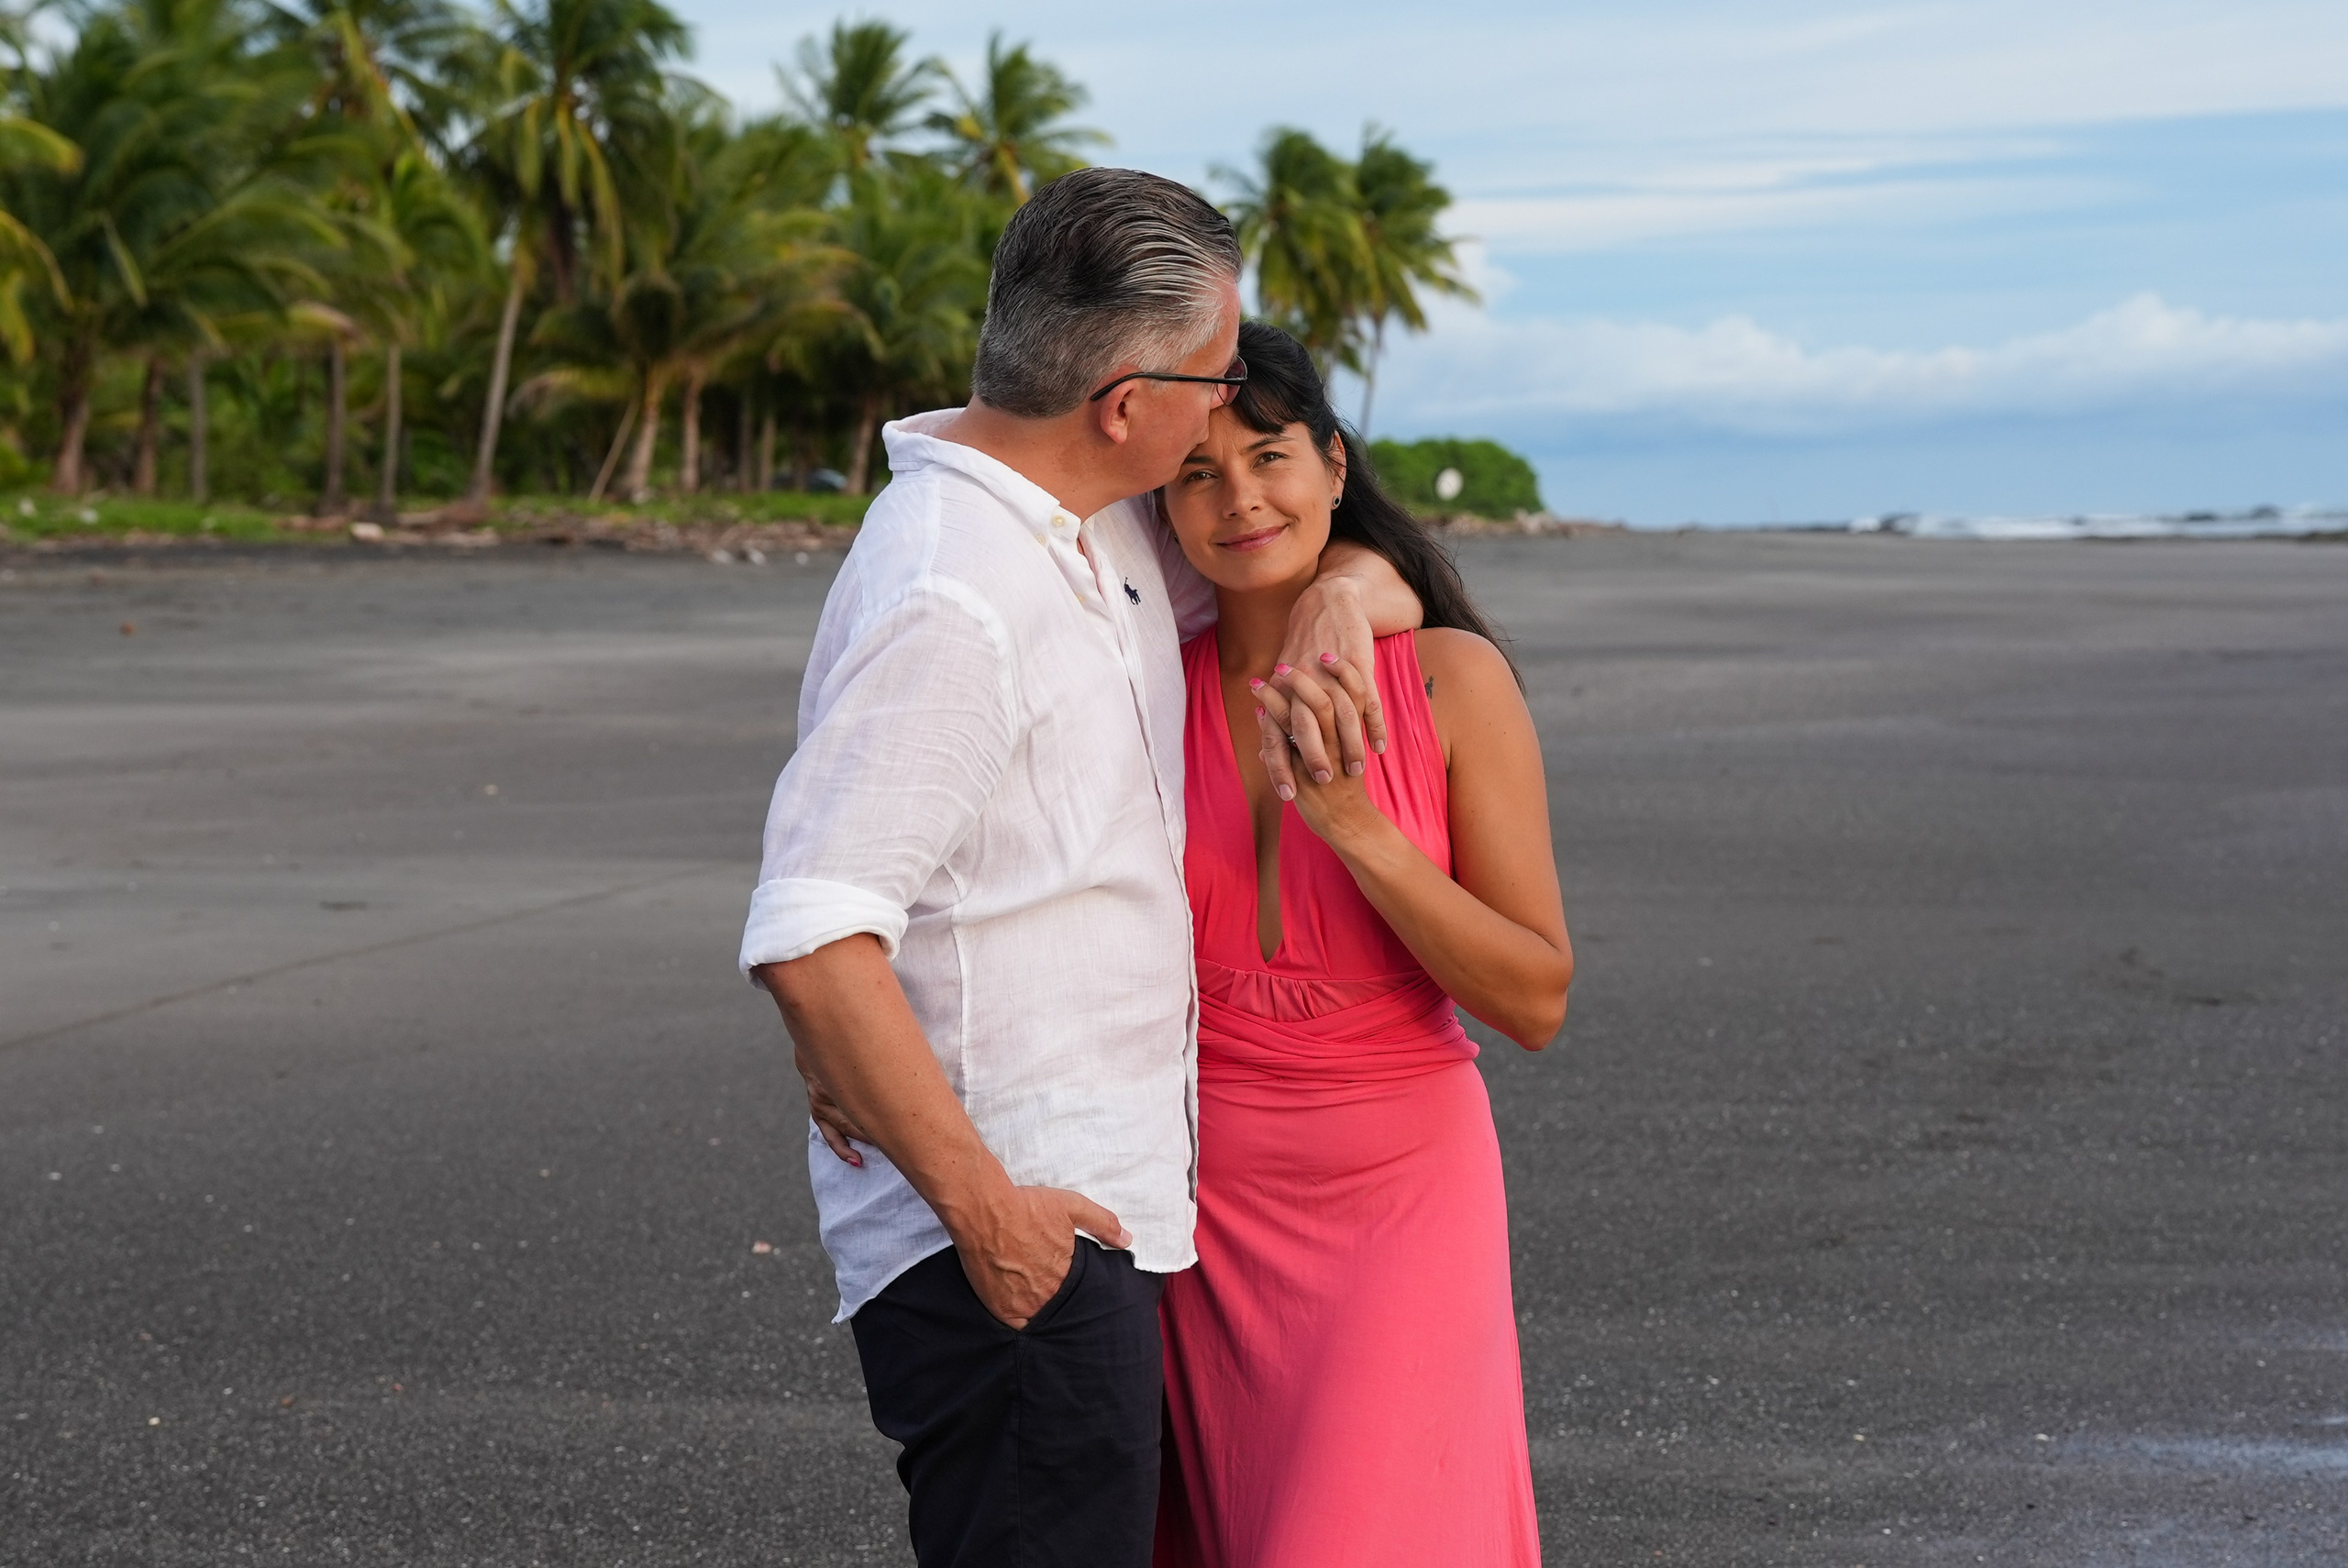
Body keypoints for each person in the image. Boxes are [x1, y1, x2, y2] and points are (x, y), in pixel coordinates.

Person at [738, 170, 1420, 1568]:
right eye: (1218, 374)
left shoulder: (1086, 531)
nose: (1228, 401)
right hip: (1014, 1227)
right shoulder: (958, 585)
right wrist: (995, 1222)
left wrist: (1353, 588)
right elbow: (812, 932)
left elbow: (1292, 565)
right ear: (1127, 402)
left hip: (1097, 1206)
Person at [1150, 322, 1573, 1567]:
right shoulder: (1134, 689)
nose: (1237, 498)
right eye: (1195, 471)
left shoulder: (1451, 679)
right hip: (1199, 1206)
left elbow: (1536, 996)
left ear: (1335, 465)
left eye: (1268, 455)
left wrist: (1360, 831)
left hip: (1405, 1196)